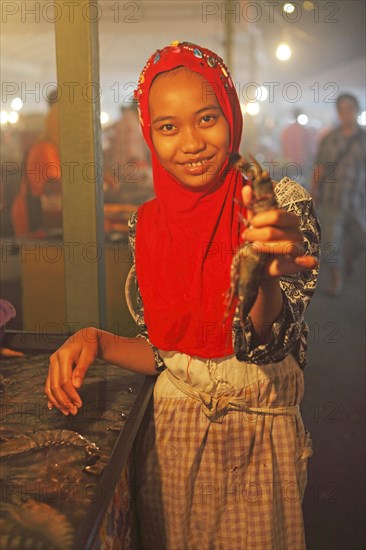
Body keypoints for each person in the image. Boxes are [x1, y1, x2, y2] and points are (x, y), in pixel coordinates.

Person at [45, 42, 320, 549]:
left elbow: (264, 343)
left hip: (256, 440)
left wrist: (259, 277)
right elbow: (164, 352)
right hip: (171, 437)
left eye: (207, 118)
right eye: (168, 127)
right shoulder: (146, 224)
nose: (190, 142)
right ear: (150, 135)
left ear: (231, 117)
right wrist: (96, 339)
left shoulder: (279, 207)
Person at [312, 93, 365, 296]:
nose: (346, 113)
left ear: (356, 110)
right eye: (342, 109)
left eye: (349, 108)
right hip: (332, 200)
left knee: (361, 240)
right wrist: (314, 191)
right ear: (338, 113)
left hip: (358, 201)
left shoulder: (363, 139)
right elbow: (319, 167)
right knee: (331, 244)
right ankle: (336, 280)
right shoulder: (329, 139)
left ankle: (349, 259)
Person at [11, 97, 62, 237]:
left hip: (43, 216)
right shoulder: (44, 149)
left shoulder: (53, 147)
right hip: (34, 218)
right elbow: (53, 187)